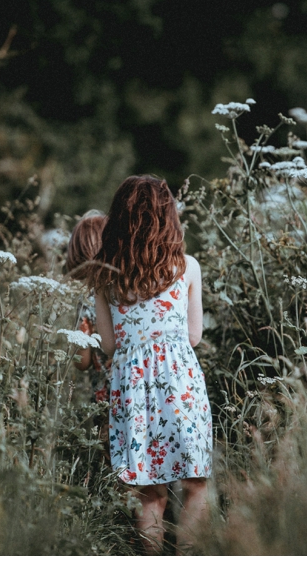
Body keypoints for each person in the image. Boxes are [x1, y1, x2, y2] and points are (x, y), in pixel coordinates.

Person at [88, 175, 211, 555]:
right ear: (168, 217)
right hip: (180, 383)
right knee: (195, 485)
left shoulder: (105, 277)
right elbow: (194, 336)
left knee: (149, 495)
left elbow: (108, 345)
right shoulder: (187, 268)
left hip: (132, 387)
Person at [65, 212, 111, 454]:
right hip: (138, 383)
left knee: (112, 466)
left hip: (105, 395)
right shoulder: (124, 291)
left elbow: (82, 362)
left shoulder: (86, 303)